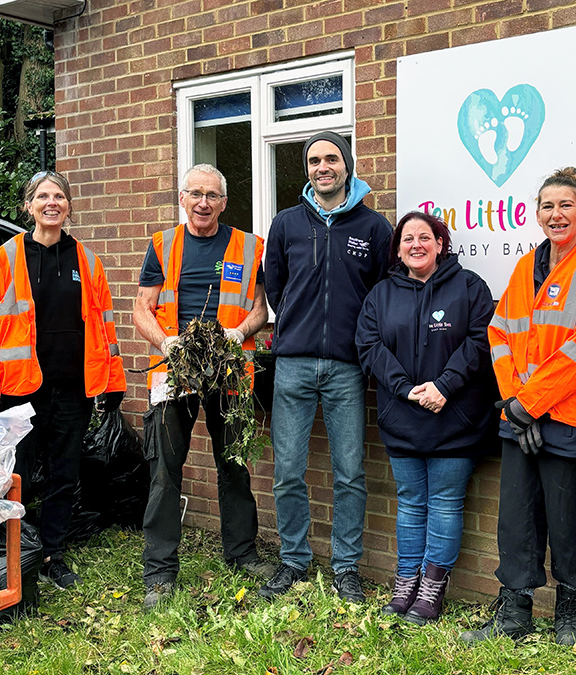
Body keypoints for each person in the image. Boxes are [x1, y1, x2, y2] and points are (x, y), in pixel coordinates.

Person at [463, 167, 576, 646]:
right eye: (548, 206)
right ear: (536, 215)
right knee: (517, 516)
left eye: (566, 205)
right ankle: (515, 612)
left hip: (569, 416)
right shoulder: (526, 266)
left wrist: (529, 403)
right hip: (521, 414)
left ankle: (570, 610)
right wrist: (514, 401)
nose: (556, 214)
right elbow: (500, 332)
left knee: (567, 517)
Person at [132, 163, 272, 610]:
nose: (204, 202)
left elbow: (259, 311)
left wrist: (238, 333)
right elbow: (142, 309)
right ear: (182, 198)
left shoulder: (249, 247)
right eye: (196, 194)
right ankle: (159, 571)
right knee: (164, 470)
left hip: (228, 369)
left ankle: (242, 554)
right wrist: (166, 342)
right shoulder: (163, 245)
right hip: (175, 369)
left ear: (224, 202)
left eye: (212, 195)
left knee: (234, 466)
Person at [261, 130, 392, 602]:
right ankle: (294, 561)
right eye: (314, 160)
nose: (323, 167)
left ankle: (346, 568)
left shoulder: (375, 228)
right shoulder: (286, 224)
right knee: (289, 470)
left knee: (350, 473)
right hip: (293, 363)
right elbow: (275, 286)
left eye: (331, 159)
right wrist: (299, 326)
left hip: (348, 367)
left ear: (347, 164)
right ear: (307, 169)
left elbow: (381, 294)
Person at [357, 211, 496, 624]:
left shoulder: (469, 288)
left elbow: (480, 341)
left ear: (440, 243)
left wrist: (444, 386)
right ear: (397, 249)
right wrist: (405, 388)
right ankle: (406, 582)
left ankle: (432, 587)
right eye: (407, 239)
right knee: (411, 503)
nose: (416, 244)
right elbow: (369, 346)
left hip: (455, 418)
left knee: (445, 502)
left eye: (425, 237)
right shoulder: (380, 295)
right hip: (402, 417)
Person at [0, 170, 126, 590]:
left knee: (63, 476)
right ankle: (10, 552)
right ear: (28, 206)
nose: (52, 203)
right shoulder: (4, 258)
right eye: (43, 197)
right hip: (20, 390)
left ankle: (50, 554)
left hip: (73, 389)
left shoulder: (87, 261)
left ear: (69, 206)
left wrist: (113, 380)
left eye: (60, 197)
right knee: (17, 476)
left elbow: (105, 326)